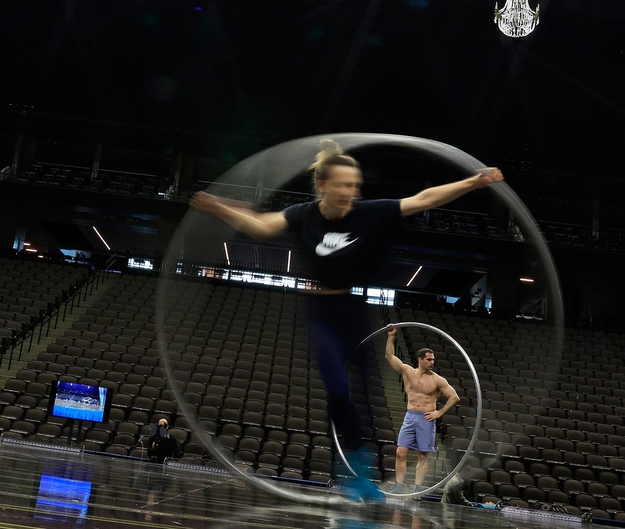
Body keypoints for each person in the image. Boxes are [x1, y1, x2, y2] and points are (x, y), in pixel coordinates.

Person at [190, 139, 502, 499]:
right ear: (323, 184)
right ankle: (354, 468)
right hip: (321, 314)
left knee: (369, 399)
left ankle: (361, 476)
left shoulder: (369, 212)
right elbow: (261, 226)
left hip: (354, 310)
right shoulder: (304, 214)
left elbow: (424, 199)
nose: (350, 191)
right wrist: (216, 206)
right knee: (338, 391)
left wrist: (474, 182)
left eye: (355, 185)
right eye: (342, 184)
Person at [383, 325, 460, 495]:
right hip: (410, 416)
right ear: (420, 360)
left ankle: (417, 488)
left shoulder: (438, 380)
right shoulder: (407, 371)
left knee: (422, 455)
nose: (432, 362)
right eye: (429, 360)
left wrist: (439, 413)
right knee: (400, 452)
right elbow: (389, 356)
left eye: (433, 360)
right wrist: (391, 336)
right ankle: (399, 485)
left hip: (426, 418)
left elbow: (454, 397)